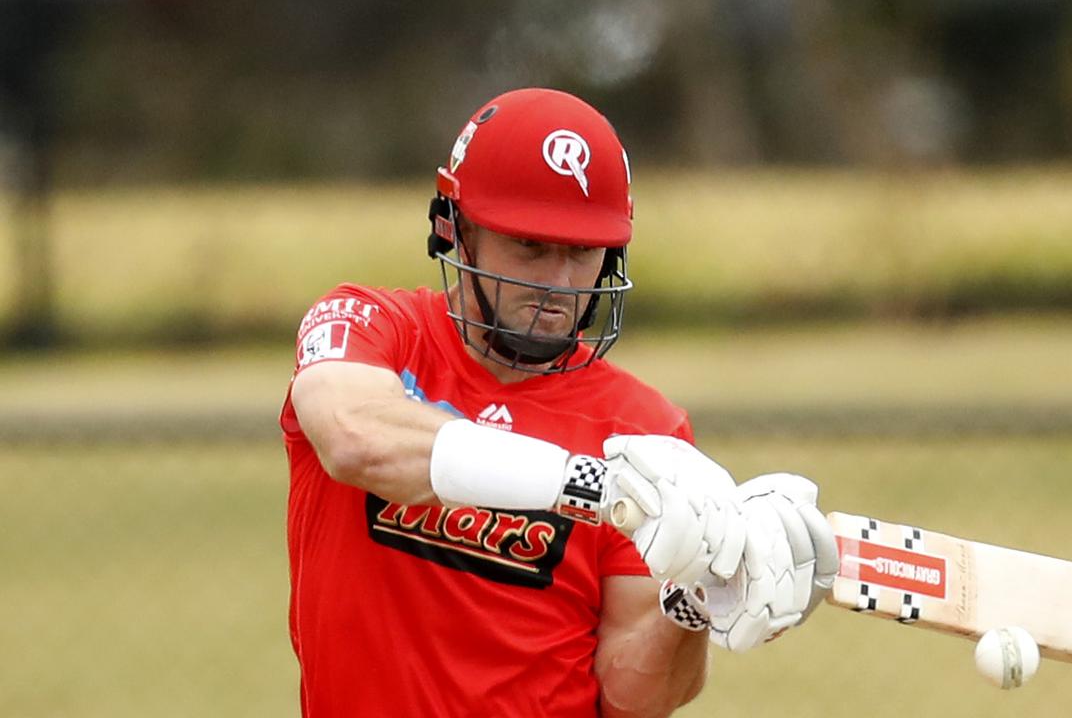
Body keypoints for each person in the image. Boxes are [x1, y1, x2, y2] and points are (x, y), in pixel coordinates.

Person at [279, 87, 837, 718]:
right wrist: (595, 487)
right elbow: (355, 438)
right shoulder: (371, 326)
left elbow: (632, 695)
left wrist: (694, 600)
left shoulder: (646, 430)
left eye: (581, 251)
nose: (559, 284)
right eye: (530, 247)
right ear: (457, 231)